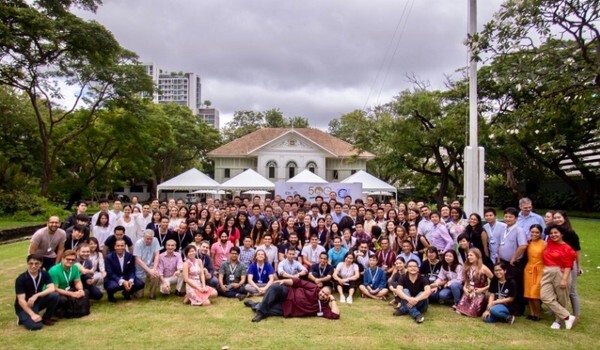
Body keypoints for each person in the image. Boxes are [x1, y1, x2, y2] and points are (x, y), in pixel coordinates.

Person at [244, 277, 340, 322]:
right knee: (275, 287)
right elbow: (298, 282)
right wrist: (284, 281)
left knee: (270, 308)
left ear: (328, 296)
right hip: (288, 293)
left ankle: (254, 304)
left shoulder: (323, 308)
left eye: (326, 295)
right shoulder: (314, 288)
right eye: (322, 292)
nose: (322, 294)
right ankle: (260, 313)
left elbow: (335, 315)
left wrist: (333, 300)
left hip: (289, 308)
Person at [540, 225, 577, 330]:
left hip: (560, 273)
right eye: (551, 233)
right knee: (545, 296)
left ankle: (558, 321)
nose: (553, 235)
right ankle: (567, 316)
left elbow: (568, 265)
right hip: (547, 271)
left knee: (562, 298)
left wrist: (564, 279)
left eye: (556, 233)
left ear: (561, 234)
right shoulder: (550, 243)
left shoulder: (567, 248)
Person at [15, 254, 60, 330]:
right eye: (31, 263)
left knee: (54, 295)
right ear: (27, 264)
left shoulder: (44, 274)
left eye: (36, 263)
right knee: (36, 326)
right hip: (25, 305)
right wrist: (32, 315)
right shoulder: (21, 279)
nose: (33, 266)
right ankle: (22, 317)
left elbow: (52, 288)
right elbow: (21, 301)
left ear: (41, 264)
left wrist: (36, 295)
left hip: (37, 301)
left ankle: (47, 317)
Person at [498, 207, 529, 315]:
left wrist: (514, 258)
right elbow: (500, 244)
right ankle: (508, 306)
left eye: (510, 217)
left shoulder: (519, 230)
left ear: (516, 218)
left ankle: (518, 309)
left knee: (516, 285)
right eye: (506, 216)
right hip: (503, 261)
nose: (507, 219)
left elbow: (523, 246)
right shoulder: (504, 229)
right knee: (507, 285)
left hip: (513, 263)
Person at [552, 210, 582, 321]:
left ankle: (576, 315)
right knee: (556, 288)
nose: (557, 220)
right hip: (555, 264)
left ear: (564, 218)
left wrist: (579, 266)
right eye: (555, 218)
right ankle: (557, 310)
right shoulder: (553, 232)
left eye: (559, 217)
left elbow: (577, 251)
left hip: (569, 265)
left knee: (571, 291)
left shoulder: (570, 233)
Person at [48, 249, 88, 318]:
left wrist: (80, 290)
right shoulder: (54, 270)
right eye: (68, 259)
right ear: (62, 259)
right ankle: (56, 311)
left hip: (66, 289)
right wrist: (72, 294)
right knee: (62, 299)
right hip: (52, 292)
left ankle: (74, 310)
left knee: (85, 292)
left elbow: (77, 281)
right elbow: (55, 289)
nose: (70, 261)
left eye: (73, 260)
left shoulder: (75, 268)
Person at [455, 248, 493, 317]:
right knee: (459, 311)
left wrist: (483, 289)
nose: (469, 257)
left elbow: (494, 282)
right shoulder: (467, 267)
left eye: (471, 255)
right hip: (470, 290)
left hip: (480, 292)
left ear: (477, 256)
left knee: (471, 313)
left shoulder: (484, 268)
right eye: (468, 255)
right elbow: (467, 280)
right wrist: (464, 288)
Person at [392, 259, 432, 323]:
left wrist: (416, 299)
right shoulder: (403, 277)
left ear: (418, 268)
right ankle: (417, 315)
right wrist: (409, 299)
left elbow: (428, 291)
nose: (413, 268)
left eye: (415, 266)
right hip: (408, 301)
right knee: (404, 290)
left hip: (421, 306)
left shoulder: (423, 278)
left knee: (422, 293)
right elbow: (398, 291)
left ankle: (403, 310)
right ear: (407, 268)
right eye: (410, 266)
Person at [523, 224, 545, 321]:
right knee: (528, 293)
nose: (534, 234)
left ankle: (537, 314)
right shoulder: (528, 243)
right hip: (528, 269)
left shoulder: (544, 244)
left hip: (539, 269)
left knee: (535, 293)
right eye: (532, 232)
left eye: (537, 232)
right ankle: (531, 313)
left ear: (540, 233)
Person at [133, 229, 161, 299]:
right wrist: (149, 271)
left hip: (150, 265)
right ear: (143, 237)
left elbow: (157, 255)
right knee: (139, 296)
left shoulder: (155, 240)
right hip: (140, 268)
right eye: (147, 239)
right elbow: (137, 259)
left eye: (151, 239)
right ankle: (133, 291)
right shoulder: (138, 243)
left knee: (156, 275)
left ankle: (152, 294)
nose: (149, 241)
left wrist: (154, 269)